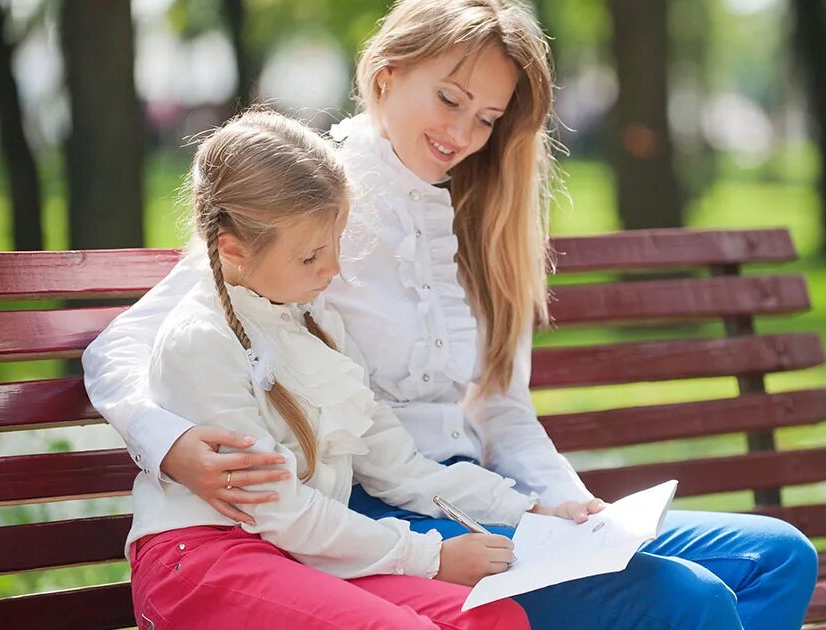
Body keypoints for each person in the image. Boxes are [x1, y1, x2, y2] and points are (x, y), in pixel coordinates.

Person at [84, 1, 818, 628]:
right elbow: (128, 344)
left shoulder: (480, 210)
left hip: (477, 494)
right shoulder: (311, 203)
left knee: (776, 557)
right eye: (450, 99)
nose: (464, 135)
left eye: (488, 118)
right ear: (387, 74)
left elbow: (502, 407)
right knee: (686, 599)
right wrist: (170, 441)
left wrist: (565, 506)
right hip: (374, 509)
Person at [119, 108, 528, 629]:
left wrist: (526, 510)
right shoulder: (199, 340)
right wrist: (432, 557)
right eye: (311, 256)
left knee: (493, 617)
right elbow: (278, 508)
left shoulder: (319, 320)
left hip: (298, 553)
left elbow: (396, 464)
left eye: (335, 243)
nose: (332, 269)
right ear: (233, 250)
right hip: (203, 561)